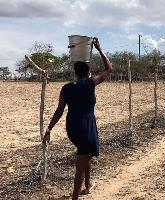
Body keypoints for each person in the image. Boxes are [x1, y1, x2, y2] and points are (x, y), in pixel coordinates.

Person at [42, 38, 112, 200]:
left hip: (72, 129)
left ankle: (88, 186)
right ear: (88, 73)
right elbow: (108, 69)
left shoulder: (66, 88)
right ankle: (75, 196)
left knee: (85, 154)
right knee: (80, 164)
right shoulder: (90, 84)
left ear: (75, 73)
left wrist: (48, 130)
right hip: (86, 128)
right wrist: (99, 48)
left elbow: (59, 111)